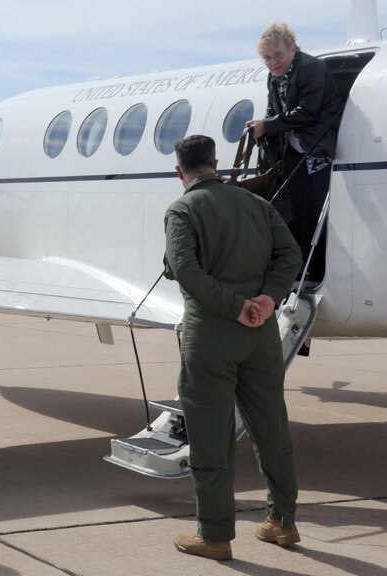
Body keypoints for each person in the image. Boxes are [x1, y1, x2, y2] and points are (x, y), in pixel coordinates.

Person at [164, 135, 302, 561]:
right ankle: (281, 521)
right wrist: (267, 299)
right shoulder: (257, 205)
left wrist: (234, 306)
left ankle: (215, 534)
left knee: (210, 434)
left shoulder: (182, 209)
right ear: (216, 163)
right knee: (271, 427)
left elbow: (184, 268)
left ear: (180, 171)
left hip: (211, 338)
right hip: (261, 336)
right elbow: (290, 256)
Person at [247, 22, 339, 281]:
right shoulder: (274, 77)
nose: (273, 62)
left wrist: (269, 125)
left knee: (316, 210)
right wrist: (261, 126)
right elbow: (271, 110)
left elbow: (308, 112)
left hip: (316, 150)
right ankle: (299, 267)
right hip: (294, 152)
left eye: (278, 55)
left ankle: (318, 267)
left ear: (292, 49)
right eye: (267, 58)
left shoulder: (311, 69)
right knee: (296, 210)